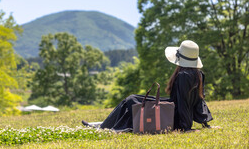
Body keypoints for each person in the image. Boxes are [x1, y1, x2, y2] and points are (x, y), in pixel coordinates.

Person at [82, 40, 213, 132]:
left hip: (174, 117)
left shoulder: (183, 76)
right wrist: (205, 123)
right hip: (175, 112)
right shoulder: (198, 74)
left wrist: (184, 127)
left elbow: (184, 103)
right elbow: (199, 101)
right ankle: (106, 125)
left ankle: (104, 127)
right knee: (133, 100)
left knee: (131, 100)